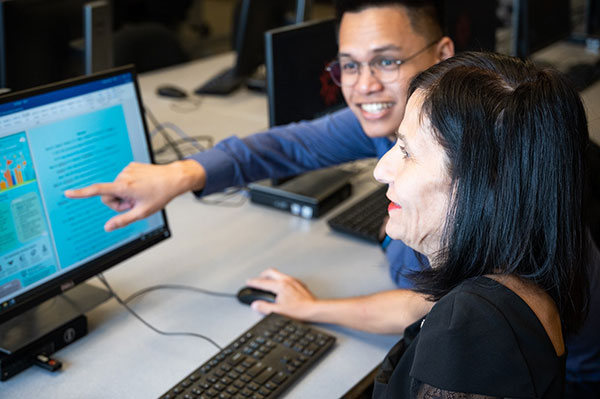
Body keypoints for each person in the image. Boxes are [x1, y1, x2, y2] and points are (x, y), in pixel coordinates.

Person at [65, 0, 600, 391]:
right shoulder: (418, 122)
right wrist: (181, 174)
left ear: (441, 53)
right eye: (348, 64)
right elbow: (287, 146)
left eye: (387, 61)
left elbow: (447, 304)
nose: (363, 84)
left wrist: (318, 307)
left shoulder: (486, 299)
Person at [370, 51, 589, 397]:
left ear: (479, 184)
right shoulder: (518, 281)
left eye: (407, 151)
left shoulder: (472, 327)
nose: (381, 170)